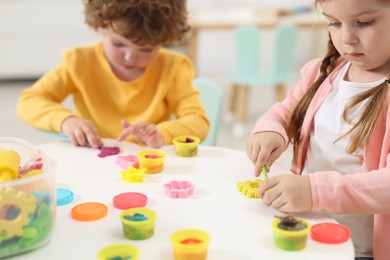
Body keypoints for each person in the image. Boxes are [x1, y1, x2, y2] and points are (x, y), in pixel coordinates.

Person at [246, 0, 390, 259]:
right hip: (309, 236)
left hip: (364, 250)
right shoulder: (324, 72)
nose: (347, 38)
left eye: (365, 22)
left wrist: (315, 190)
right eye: (335, 23)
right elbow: (285, 110)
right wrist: (270, 130)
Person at [16, 0, 209, 149]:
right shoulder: (79, 62)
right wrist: (66, 121)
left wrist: (161, 133)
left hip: (149, 167)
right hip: (92, 160)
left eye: (147, 49)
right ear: (101, 26)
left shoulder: (173, 67)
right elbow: (29, 101)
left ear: (164, 40)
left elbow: (198, 122)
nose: (130, 57)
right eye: (118, 44)